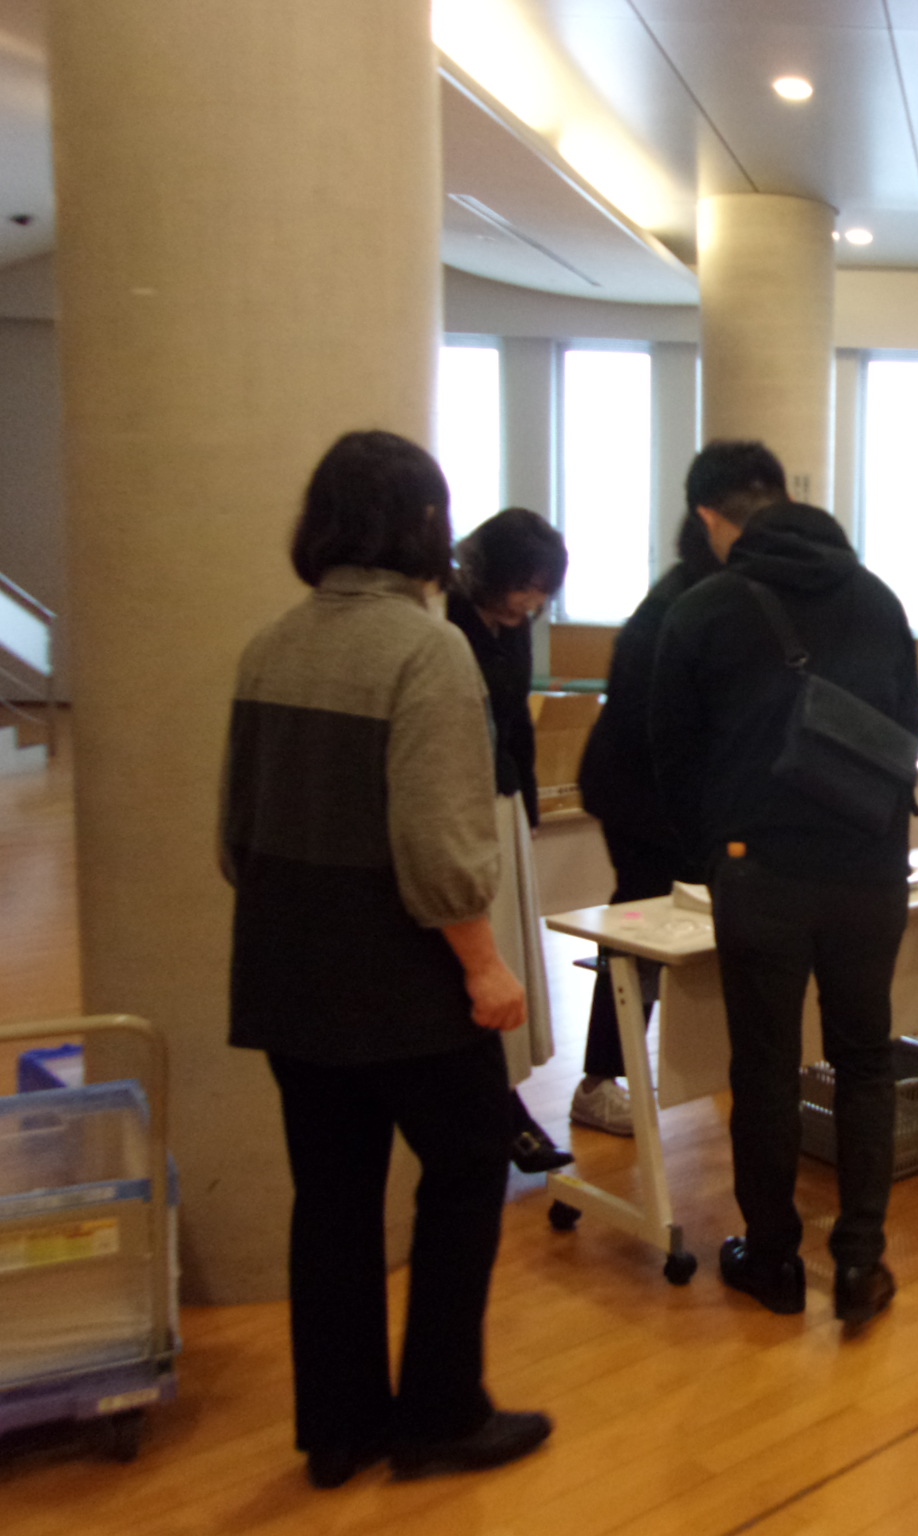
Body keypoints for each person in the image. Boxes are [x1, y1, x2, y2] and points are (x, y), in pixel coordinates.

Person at [220, 431, 550, 1488]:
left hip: (285, 967)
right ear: (425, 527)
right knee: (468, 1165)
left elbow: (233, 837)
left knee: (331, 1196)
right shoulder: (426, 651)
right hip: (400, 977)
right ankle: (440, 1415)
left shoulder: (270, 645)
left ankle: (339, 1428)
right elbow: (437, 847)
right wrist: (485, 966)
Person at [651, 488, 918, 1332]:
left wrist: (717, 847)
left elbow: (669, 756)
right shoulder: (880, 602)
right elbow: (905, 730)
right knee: (865, 1059)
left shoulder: (703, 609)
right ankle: (860, 1259)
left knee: (765, 1068)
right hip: (869, 871)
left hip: (759, 871)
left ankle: (772, 1260)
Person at [570, 450, 762, 1136]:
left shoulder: (715, 592)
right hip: (639, 795)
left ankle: (699, 1065)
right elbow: (665, 730)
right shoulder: (685, 603)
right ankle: (600, 1079)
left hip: (669, 792)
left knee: (688, 924)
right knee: (641, 927)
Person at [446, 508, 572, 1174]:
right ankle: (494, 1109)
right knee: (478, 957)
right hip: (461, 802)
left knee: (512, 953)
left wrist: (526, 802)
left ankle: (505, 1098)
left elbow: (516, 718)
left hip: (504, 801)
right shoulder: (447, 620)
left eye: (542, 590)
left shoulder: (514, 628)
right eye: (524, 585)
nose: (531, 601)